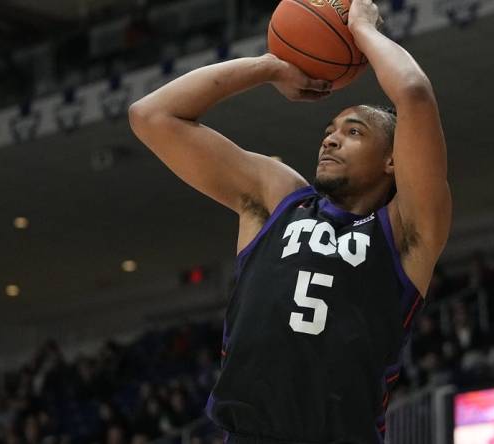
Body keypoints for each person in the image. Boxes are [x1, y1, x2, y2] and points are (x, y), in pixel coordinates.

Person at [128, 1, 451, 442]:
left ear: (394, 160)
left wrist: (361, 29)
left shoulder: (406, 231)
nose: (332, 138)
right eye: (330, 131)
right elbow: (151, 116)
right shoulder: (277, 199)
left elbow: (413, 91)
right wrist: (269, 67)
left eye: (354, 132)